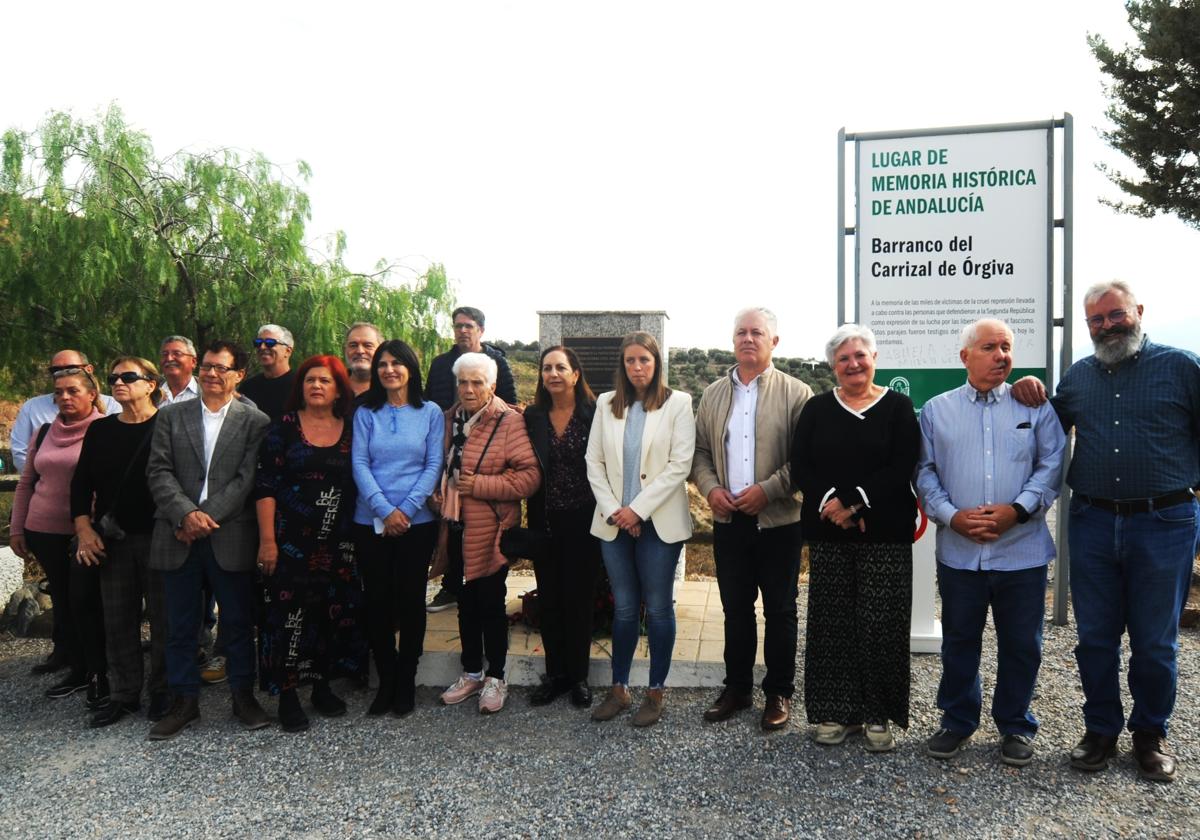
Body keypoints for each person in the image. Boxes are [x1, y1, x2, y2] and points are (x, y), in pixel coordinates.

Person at [1011, 280, 1200, 782]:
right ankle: (1100, 730)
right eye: (1096, 320)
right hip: (1092, 521)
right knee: (1094, 637)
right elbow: (1044, 429)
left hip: (1165, 521)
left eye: (1115, 315)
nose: (1107, 326)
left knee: (1156, 640)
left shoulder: (1183, 367)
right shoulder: (1078, 378)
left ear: (1138, 310)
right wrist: (1028, 389)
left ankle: (1149, 735)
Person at [916, 319, 1066, 766]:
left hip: (1021, 552)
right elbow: (924, 472)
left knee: (1022, 643)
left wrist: (1015, 510)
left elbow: (1052, 464)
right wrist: (950, 516)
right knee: (960, 640)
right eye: (989, 347)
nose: (1001, 355)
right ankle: (958, 721)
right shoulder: (936, 411)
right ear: (965, 357)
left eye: (1006, 347)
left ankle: (1016, 725)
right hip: (960, 552)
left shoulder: (1034, 407)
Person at [790, 324, 920, 752]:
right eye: (843, 359)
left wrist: (854, 503)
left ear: (875, 358)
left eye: (860, 355)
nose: (853, 364)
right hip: (829, 533)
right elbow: (801, 463)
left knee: (881, 623)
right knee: (832, 622)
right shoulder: (816, 408)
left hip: (886, 534)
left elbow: (902, 465)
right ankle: (835, 713)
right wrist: (832, 503)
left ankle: (877, 714)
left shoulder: (898, 407)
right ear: (833, 366)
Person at [145, 340, 271, 740]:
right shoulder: (171, 416)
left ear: (239, 375)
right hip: (177, 533)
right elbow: (158, 471)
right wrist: (185, 514)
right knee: (178, 626)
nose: (213, 374)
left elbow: (246, 479)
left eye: (223, 368)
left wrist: (205, 517)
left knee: (236, 623)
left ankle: (242, 697)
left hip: (229, 535)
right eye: (209, 367)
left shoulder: (256, 422)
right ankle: (184, 702)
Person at [693, 308, 812, 730]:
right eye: (741, 332)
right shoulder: (712, 395)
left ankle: (778, 692)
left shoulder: (797, 393)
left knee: (780, 611)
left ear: (774, 342)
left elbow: (805, 459)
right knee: (735, 610)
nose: (748, 338)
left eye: (757, 332)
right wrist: (711, 490)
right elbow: (701, 453)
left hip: (778, 522)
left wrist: (769, 489)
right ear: (732, 340)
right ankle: (738, 688)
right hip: (730, 523)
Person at [586, 331, 695, 727]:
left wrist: (638, 510)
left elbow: (678, 466)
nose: (637, 368)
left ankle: (656, 692)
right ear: (622, 364)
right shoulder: (605, 404)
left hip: (658, 524)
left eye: (644, 361)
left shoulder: (678, 404)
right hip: (614, 522)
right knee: (626, 609)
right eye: (630, 361)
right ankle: (619, 689)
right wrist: (618, 511)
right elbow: (593, 463)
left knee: (660, 608)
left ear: (656, 363)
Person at [255, 355, 369, 732]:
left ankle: (322, 686)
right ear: (300, 388)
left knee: (330, 614)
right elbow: (266, 485)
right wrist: (268, 540)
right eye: (309, 380)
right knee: (288, 619)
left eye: (325, 380)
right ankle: (288, 695)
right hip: (290, 543)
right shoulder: (283, 428)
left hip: (338, 543)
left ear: (339, 389)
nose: (316, 386)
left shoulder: (352, 428)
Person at [433, 352, 539, 715]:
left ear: (492, 386)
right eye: (463, 381)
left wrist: (480, 485)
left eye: (477, 382)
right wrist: (438, 491)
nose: (468, 388)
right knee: (465, 604)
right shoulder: (449, 420)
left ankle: (496, 676)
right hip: (455, 526)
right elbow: (441, 466)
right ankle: (471, 672)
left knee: (491, 605)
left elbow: (529, 476)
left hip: (491, 530)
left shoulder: (508, 422)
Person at [71, 357, 171, 727]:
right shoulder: (100, 431)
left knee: (164, 619)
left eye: (128, 377)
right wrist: (84, 528)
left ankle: (162, 690)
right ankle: (124, 693)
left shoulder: (168, 424)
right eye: (113, 378)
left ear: (151, 384)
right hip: (112, 538)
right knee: (117, 619)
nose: (119, 382)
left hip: (161, 536)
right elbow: (81, 484)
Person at [350, 341, 444, 717]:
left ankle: (406, 679)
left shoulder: (430, 411)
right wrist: (384, 510)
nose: (389, 369)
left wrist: (404, 510)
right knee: (377, 601)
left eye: (396, 363)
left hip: (416, 522)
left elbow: (433, 463)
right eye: (382, 364)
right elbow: (359, 462)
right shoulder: (366, 412)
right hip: (369, 520)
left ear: (410, 368)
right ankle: (385, 679)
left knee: (409, 601)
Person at [9, 367, 107, 703]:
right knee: (64, 602)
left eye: (73, 391)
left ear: (92, 394)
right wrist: (18, 527)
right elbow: (26, 483)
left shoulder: (103, 430)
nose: (65, 397)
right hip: (43, 529)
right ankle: (74, 664)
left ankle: (96, 668)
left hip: (84, 533)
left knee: (85, 600)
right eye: (59, 392)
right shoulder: (44, 431)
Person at [424, 306, 519, 614]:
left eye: (469, 326)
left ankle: (484, 591)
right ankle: (452, 586)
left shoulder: (497, 363)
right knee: (450, 523)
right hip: (448, 446)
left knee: (480, 529)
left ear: (480, 330)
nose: (462, 330)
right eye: (458, 326)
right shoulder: (440, 365)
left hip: (488, 450)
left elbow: (511, 404)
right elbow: (429, 403)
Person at [523, 346, 601, 708]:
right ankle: (555, 675)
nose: (553, 374)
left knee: (579, 599)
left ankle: (580, 678)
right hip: (545, 519)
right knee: (550, 599)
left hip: (585, 520)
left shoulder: (594, 413)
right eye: (546, 368)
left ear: (575, 374)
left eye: (560, 368)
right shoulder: (533, 416)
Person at [10, 350, 118, 474]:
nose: (62, 373)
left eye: (72, 368)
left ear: (89, 369)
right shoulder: (32, 408)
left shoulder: (113, 406)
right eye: (56, 370)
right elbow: (20, 452)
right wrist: (44, 481)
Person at [239, 324, 296, 423]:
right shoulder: (248, 387)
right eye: (258, 343)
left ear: (288, 351)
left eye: (270, 343)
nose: (262, 347)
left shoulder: (300, 385)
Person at [343, 322, 383, 399]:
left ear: (380, 350)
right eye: (353, 345)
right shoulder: (333, 385)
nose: (360, 351)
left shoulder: (389, 390)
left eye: (368, 345)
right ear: (345, 350)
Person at [158, 336, 200, 406]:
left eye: (177, 353)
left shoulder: (208, 393)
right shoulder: (148, 393)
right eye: (165, 354)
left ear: (193, 362)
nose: (169, 358)